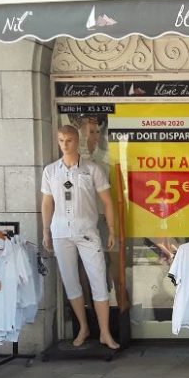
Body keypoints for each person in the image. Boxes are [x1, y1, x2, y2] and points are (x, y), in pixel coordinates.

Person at [41, 125, 120, 350]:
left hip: (87, 231)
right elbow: (47, 203)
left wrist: (111, 229)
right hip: (60, 231)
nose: (65, 145)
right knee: (70, 280)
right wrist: (46, 230)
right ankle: (83, 327)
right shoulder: (50, 171)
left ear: (77, 141)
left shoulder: (92, 169)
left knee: (98, 278)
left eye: (69, 140)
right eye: (61, 140)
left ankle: (105, 332)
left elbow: (107, 201)